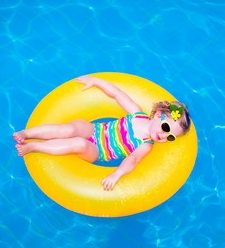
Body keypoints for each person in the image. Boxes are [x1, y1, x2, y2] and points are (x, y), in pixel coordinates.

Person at [13, 75, 191, 191]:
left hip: (97, 151)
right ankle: (26, 133)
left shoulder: (146, 145)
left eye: (170, 137)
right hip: (96, 130)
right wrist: (96, 81)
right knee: (70, 129)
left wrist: (117, 174)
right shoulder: (137, 113)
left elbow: (132, 160)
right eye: (165, 128)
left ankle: (34, 146)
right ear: (158, 115)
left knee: (79, 143)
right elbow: (118, 95)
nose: (164, 136)